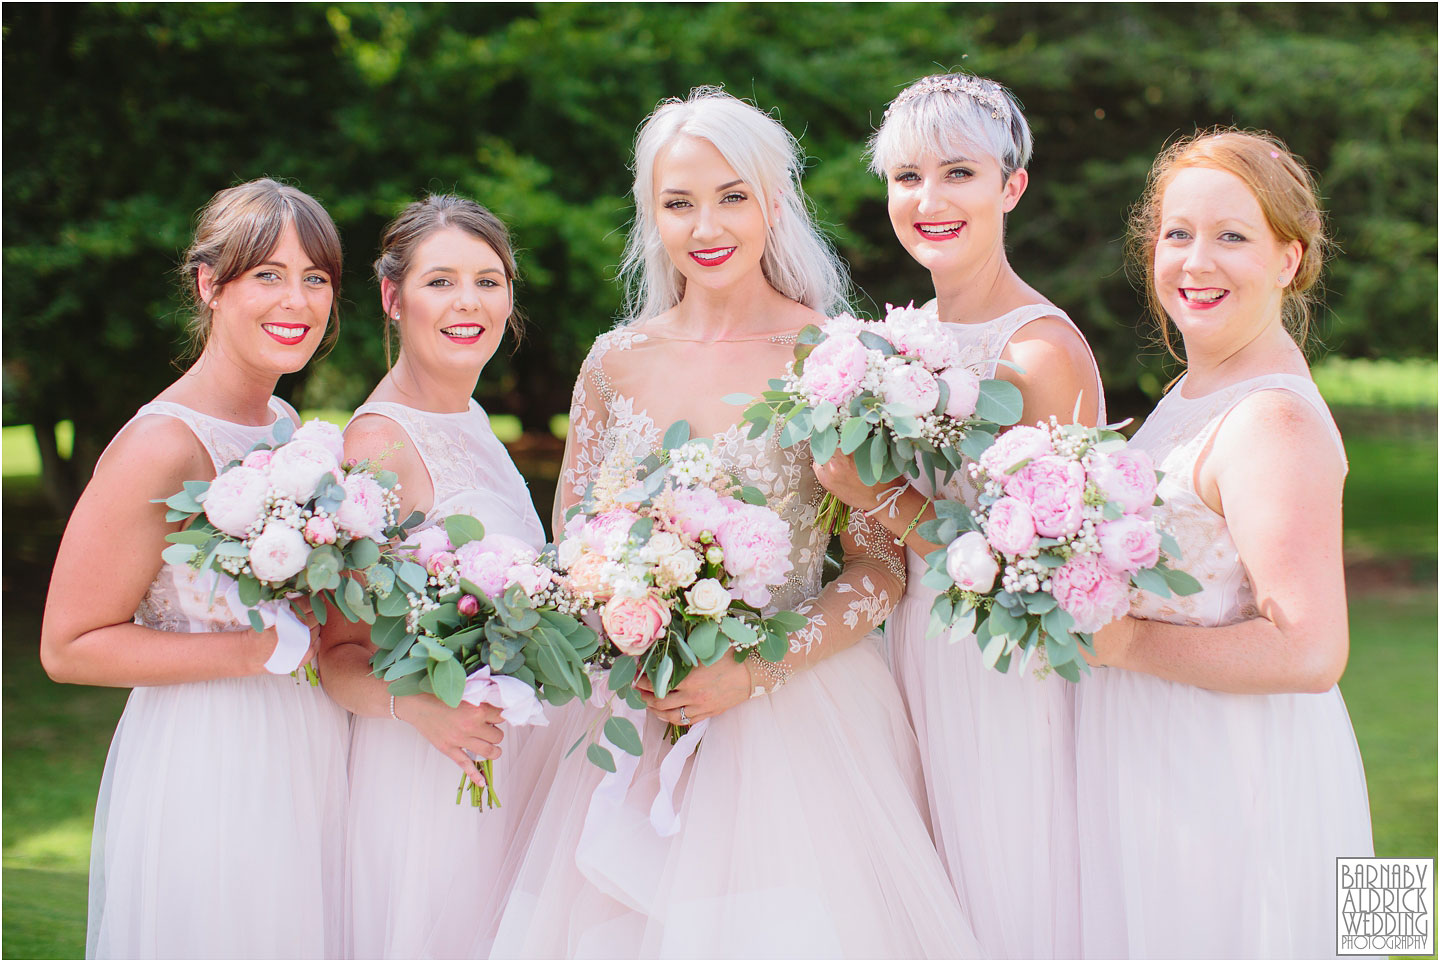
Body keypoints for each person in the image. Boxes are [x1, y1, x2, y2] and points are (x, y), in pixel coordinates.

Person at [491, 86, 981, 958]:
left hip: (794, 726)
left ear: (773, 203)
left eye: (731, 197)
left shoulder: (832, 359)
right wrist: (619, 618)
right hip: (633, 712)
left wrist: (750, 669)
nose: (705, 226)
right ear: (653, 215)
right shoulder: (614, 363)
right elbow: (569, 551)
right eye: (678, 203)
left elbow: (881, 572)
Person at [814, 72, 1104, 958]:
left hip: (1001, 676)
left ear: (1010, 187)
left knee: (1002, 904)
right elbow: (876, 545)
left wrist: (875, 495)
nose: (928, 200)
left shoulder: (1039, 350)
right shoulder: (897, 347)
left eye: (958, 174)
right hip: (906, 658)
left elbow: (1033, 572)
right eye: (906, 177)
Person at [1074, 128, 1373, 958]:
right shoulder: (1196, 388)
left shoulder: (1272, 418)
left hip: (1230, 776)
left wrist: (1125, 639)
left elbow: (1311, 651)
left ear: (1288, 258)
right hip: (1160, 759)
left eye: (1231, 236)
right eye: (1178, 234)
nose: (1195, 263)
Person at [40, 178, 348, 959]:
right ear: (210, 284)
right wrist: (255, 649)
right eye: (269, 275)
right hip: (212, 761)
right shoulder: (162, 444)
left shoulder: (281, 423)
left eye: (315, 278)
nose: (298, 300)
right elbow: (69, 645)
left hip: (305, 747)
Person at [317, 194, 575, 958]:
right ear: (394, 298)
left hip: (504, 762)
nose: (469, 302)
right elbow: (337, 655)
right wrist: (422, 710)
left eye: (488, 281)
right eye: (441, 282)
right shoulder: (379, 444)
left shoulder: (472, 422)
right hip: (426, 779)